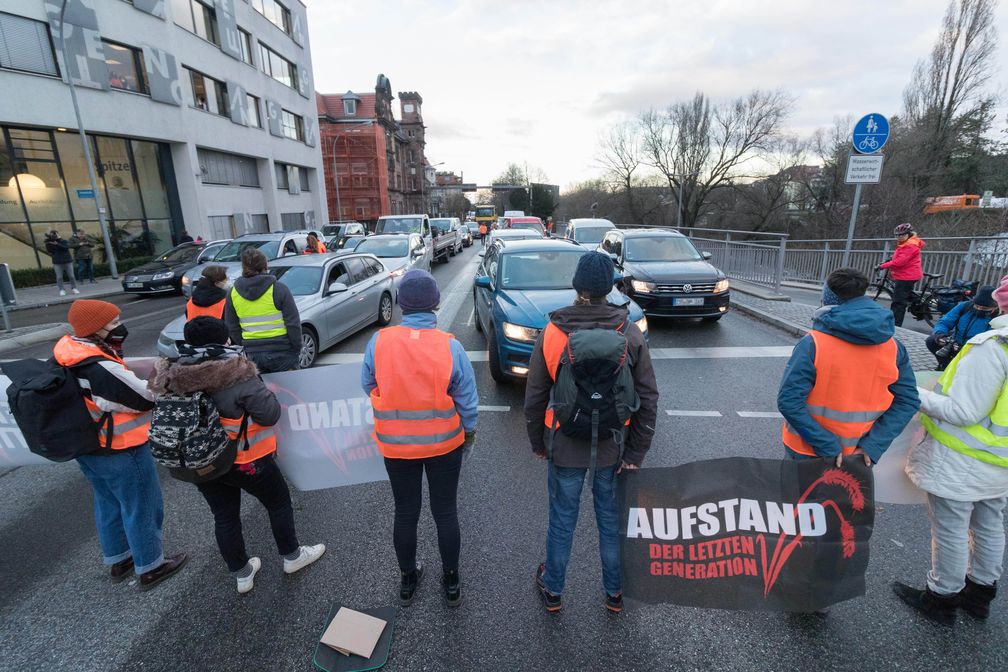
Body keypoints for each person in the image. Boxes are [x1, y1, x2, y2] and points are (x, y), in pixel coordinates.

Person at [148, 316, 325, 594]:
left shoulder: (173, 375)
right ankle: (292, 556)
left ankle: (242, 574)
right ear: (224, 340)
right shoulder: (237, 372)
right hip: (246, 460)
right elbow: (269, 415)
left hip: (203, 462)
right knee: (278, 503)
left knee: (225, 515)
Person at [525, 251, 659, 614]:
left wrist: (539, 442)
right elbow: (647, 397)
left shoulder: (553, 332)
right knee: (611, 522)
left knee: (562, 519)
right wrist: (635, 454)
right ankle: (614, 593)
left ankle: (553, 589)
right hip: (614, 446)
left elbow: (536, 395)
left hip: (565, 444)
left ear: (577, 286)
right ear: (610, 289)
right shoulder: (628, 330)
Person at [893, 274, 1008, 625]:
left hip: (965, 456)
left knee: (952, 528)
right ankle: (980, 593)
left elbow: (964, 411)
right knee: (989, 523)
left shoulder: (993, 345)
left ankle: (941, 597)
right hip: (1001, 460)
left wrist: (915, 392)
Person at [361, 270, 478, 608]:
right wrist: (468, 433)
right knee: (445, 512)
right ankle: (451, 580)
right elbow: (467, 401)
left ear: (401, 304)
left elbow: (368, 383)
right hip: (444, 445)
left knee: (405, 511)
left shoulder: (379, 342)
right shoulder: (450, 346)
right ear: (435, 305)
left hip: (396, 446)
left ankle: (408, 578)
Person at [54, 299, 187, 589]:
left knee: (108, 502)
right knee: (142, 505)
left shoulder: (67, 350)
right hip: (120, 447)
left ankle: (119, 559)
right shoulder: (98, 365)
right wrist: (162, 377)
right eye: (113, 323)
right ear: (94, 329)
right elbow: (144, 397)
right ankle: (151, 565)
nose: (119, 327)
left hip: (87, 445)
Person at [779, 268, 919, 467]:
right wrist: (873, 445)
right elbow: (908, 401)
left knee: (798, 497)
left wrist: (827, 446)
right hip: (860, 455)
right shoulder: (894, 347)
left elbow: (789, 401)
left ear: (828, 299)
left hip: (806, 450)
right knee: (845, 499)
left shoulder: (813, 343)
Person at [224, 248, 302, 373]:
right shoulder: (279, 289)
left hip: (252, 355)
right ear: (265, 266)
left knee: (261, 391)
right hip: (282, 352)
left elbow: (232, 327)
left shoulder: (233, 293)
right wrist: (296, 349)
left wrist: (247, 345)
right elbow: (293, 324)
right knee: (291, 391)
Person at [926, 285, 998, 371]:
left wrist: (966, 348)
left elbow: (991, 340)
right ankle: (945, 366)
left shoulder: (997, 317)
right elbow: (945, 322)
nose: (979, 309)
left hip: (976, 350)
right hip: (955, 343)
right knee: (931, 341)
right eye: (977, 306)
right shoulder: (965, 306)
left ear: (995, 306)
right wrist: (940, 335)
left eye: (984, 308)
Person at [878, 223, 925, 327]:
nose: (899, 237)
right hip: (906, 274)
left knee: (898, 302)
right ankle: (919, 304)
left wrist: (883, 266)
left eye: (902, 235)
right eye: (897, 235)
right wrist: (891, 258)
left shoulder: (910, 245)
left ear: (909, 234)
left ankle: (895, 325)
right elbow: (901, 256)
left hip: (907, 275)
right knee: (904, 294)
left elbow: (900, 262)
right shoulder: (907, 243)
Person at [45, 230, 79, 296]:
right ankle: (62, 289)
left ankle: (74, 288)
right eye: (52, 235)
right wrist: (49, 243)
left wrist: (58, 243)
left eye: (55, 234)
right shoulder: (49, 242)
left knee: (71, 276)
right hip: (57, 262)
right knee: (59, 277)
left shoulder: (63, 241)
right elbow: (50, 251)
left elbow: (66, 248)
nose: (54, 236)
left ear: (58, 234)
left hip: (67, 261)